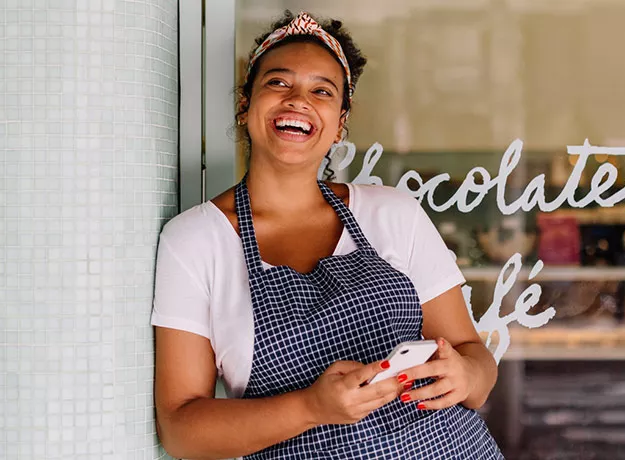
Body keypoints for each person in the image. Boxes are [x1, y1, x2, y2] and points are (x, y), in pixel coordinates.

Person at [151, 11, 504, 459]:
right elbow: (182, 429)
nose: (298, 100)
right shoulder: (194, 241)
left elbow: (475, 359)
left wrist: (466, 377)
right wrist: (311, 407)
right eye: (278, 83)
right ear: (246, 104)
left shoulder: (393, 212)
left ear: (339, 123)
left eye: (322, 91)